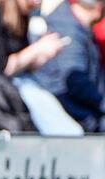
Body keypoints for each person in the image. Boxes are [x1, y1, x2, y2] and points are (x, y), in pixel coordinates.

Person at [0, 0, 83, 135]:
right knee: (66, 130)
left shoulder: (22, 16)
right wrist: (37, 48)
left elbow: (25, 65)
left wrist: (43, 55)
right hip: (2, 88)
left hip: (24, 82)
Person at [34, 0, 105, 132]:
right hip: (72, 112)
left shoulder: (73, 23)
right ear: (98, 7)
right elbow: (76, 81)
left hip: (79, 107)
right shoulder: (69, 29)